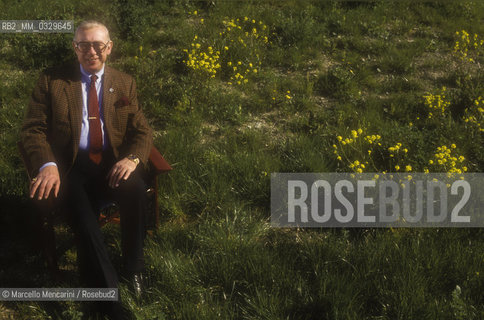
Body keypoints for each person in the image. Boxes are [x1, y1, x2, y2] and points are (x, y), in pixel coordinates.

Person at [21, 20, 152, 319]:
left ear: (109, 48)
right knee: (86, 221)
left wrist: (132, 159)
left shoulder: (125, 82)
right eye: (84, 45)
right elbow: (32, 129)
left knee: (135, 190)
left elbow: (142, 131)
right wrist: (48, 164)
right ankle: (111, 302)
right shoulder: (51, 80)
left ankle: (134, 269)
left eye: (98, 45)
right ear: (75, 47)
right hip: (71, 167)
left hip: (111, 163)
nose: (91, 51)